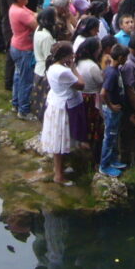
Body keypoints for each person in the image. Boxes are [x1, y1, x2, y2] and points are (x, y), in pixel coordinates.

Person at [41, 41, 85, 184]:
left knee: (58, 141)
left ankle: (59, 170)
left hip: (56, 103)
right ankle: (59, 175)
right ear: (65, 56)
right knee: (60, 141)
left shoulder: (52, 66)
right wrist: (73, 68)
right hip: (63, 107)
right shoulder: (64, 71)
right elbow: (81, 84)